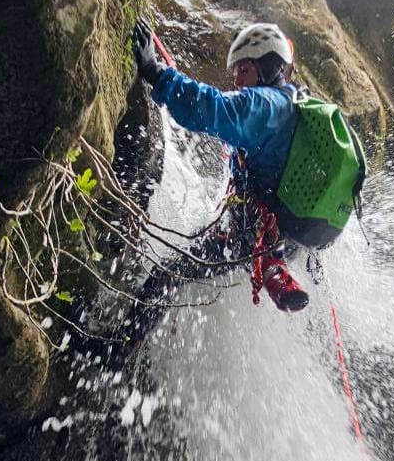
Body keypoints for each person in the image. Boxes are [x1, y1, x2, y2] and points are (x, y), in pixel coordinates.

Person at [132, 19, 310, 312]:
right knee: (178, 269)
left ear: (269, 68)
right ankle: (274, 270)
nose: (237, 80)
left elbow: (214, 109)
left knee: (166, 275)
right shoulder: (293, 105)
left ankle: (115, 353)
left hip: (253, 233)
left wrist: (156, 73)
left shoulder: (266, 105)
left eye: (245, 70)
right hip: (283, 235)